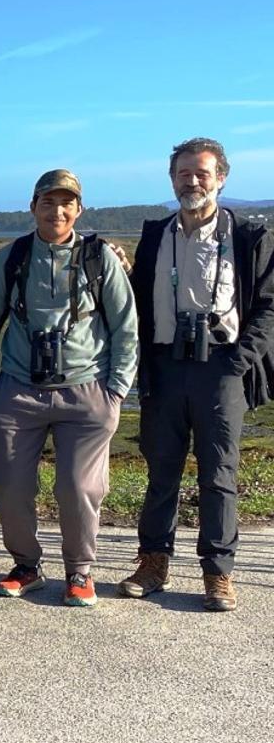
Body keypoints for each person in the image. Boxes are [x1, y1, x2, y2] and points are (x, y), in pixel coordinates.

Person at [119, 137, 274, 612]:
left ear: (221, 178)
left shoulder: (248, 237)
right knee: (160, 470)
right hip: (165, 366)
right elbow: (138, 302)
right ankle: (152, 563)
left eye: (202, 173)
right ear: (171, 179)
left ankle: (218, 573)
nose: (192, 182)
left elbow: (268, 307)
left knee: (220, 475)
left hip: (221, 368)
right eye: (184, 174)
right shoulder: (155, 235)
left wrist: (239, 361)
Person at [0, 170, 138, 607]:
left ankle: (80, 571)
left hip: (87, 392)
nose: (57, 211)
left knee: (78, 488)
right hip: (18, 391)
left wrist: (116, 390)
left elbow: (126, 330)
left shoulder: (100, 259)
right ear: (33, 207)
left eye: (67, 203)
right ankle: (26, 565)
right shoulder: (11, 258)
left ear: (79, 210)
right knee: (8, 484)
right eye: (48, 202)